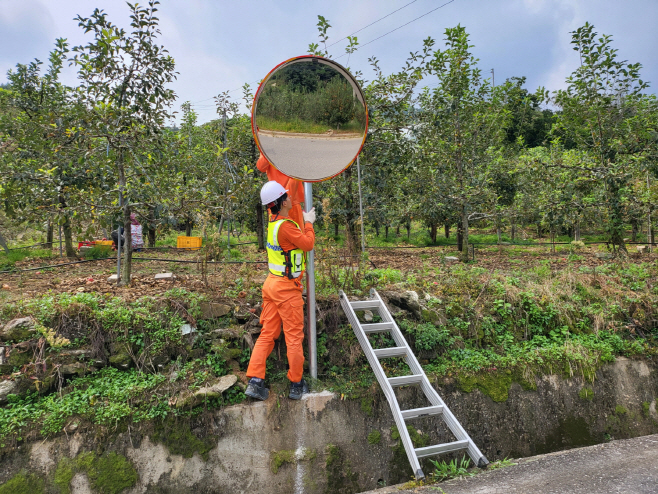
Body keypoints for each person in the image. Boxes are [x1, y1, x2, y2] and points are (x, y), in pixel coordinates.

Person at [245, 181, 316, 401]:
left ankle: (256, 381)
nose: (289, 197)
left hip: (272, 286)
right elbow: (308, 243)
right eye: (286, 195)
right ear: (281, 202)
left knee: (268, 334)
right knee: (294, 337)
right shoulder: (286, 226)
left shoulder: (274, 223)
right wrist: (308, 223)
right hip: (286, 290)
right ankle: (297, 383)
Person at [256, 153, 305, 233]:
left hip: (292, 199)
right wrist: (270, 148)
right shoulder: (268, 146)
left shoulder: (292, 144)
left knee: (297, 234)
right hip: (276, 200)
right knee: (277, 233)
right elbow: (261, 166)